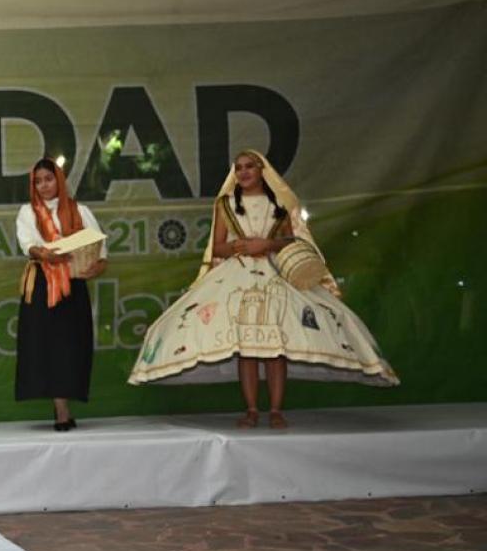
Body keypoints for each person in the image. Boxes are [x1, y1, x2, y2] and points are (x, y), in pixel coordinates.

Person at [128, 150, 398, 428]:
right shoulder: (226, 204)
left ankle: (277, 409)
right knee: (248, 346)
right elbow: (216, 245)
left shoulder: (280, 203)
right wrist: (238, 247)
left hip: (273, 273)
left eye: (249, 167)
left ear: (261, 170)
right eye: (238, 168)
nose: (243, 172)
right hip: (238, 272)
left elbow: (290, 241)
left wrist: (266, 245)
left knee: (275, 344)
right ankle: (253, 409)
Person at [14, 158, 107, 431]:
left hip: (73, 286)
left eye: (49, 179)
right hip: (43, 285)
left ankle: (64, 406)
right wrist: (46, 253)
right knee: (46, 347)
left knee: (70, 346)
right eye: (38, 181)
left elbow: (100, 252)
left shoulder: (81, 211)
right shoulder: (27, 212)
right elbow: (29, 245)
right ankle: (60, 411)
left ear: (60, 180)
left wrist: (96, 267)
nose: (44, 185)